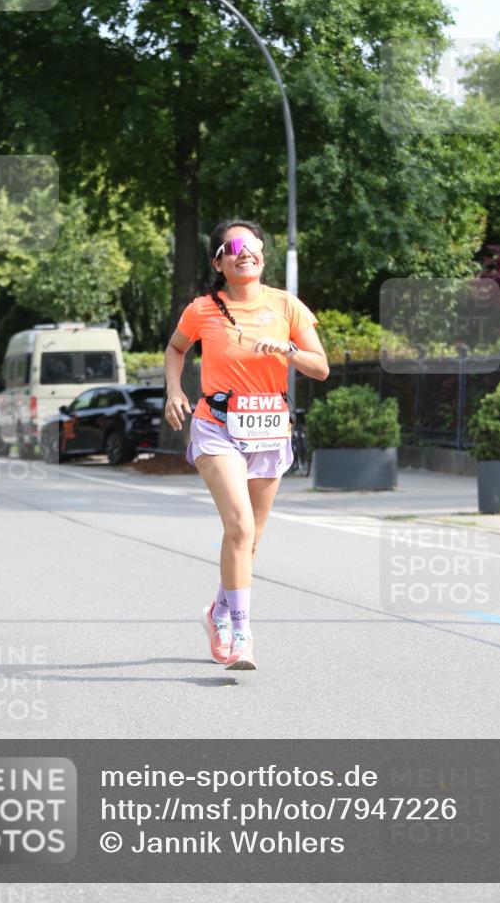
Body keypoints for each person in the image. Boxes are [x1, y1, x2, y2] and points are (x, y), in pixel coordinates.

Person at [164, 220, 329, 670]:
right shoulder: (201, 310)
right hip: (216, 425)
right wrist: (174, 391)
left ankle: (217, 611)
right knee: (238, 525)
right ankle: (241, 633)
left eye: (251, 244)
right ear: (218, 260)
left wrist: (288, 351)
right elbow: (176, 348)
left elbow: (321, 367)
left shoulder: (287, 306)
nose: (245, 252)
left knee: (252, 537)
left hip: (270, 428)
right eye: (232, 246)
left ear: (262, 252)